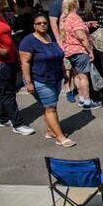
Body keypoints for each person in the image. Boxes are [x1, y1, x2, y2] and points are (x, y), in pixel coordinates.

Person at [19, 14, 74, 148]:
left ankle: (50, 131)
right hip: (40, 80)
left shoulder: (50, 37)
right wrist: (29, 83)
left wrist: (64, 73)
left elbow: (58, 56)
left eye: (44, 23)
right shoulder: (28, 41)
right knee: (50, 108)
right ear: (34, 25)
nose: (43, 25)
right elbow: (25, 63)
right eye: (39, 23)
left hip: (55, 78)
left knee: (50, 106)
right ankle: (60, 137)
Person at [0, 14, 35, 135]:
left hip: (9, 60)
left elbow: (8, 37)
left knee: (6, 92)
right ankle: (18, 124)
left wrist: (16, 53)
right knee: (7, 94)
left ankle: (2, 119)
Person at [59, 0, 101, 110]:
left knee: (77, 76)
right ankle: (88, 101)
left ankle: (82, 99)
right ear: (75, 4)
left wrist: (87, 24)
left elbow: (71, 30)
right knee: (84, 77)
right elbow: (81, 37)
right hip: (79, 50)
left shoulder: (64, 18)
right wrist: (90, 51)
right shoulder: (75, 18)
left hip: (69, 51)